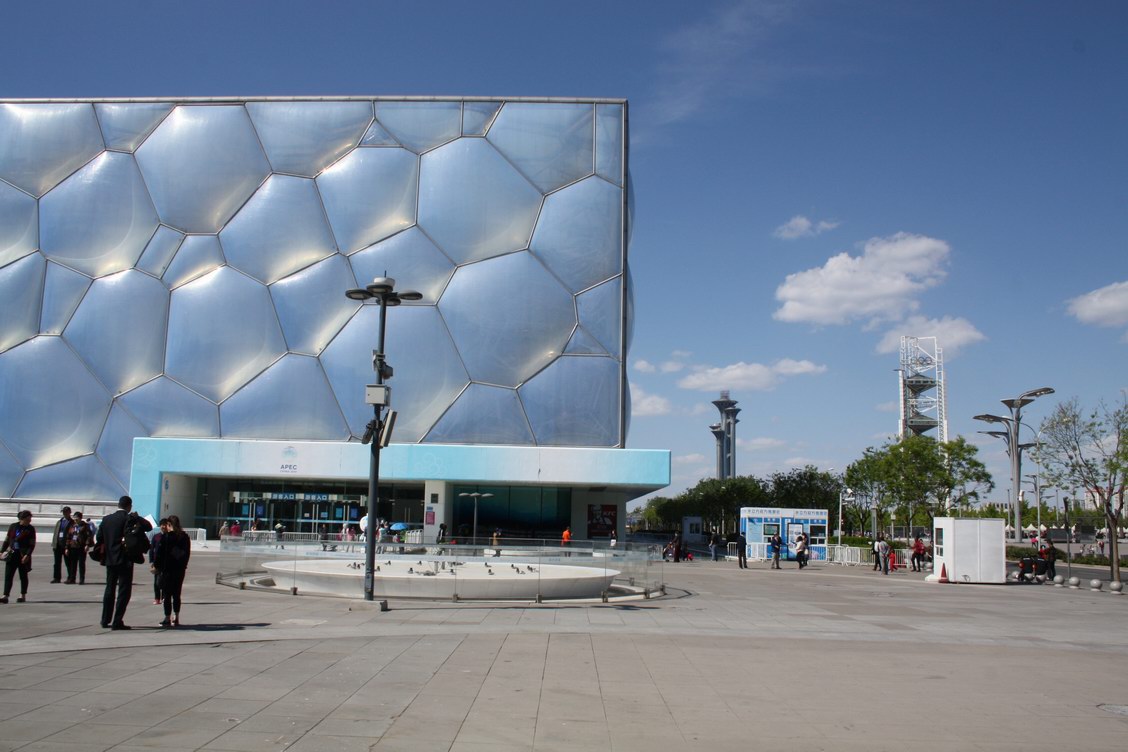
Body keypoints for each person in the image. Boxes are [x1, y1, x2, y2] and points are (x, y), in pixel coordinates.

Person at [96, 495, 152, 630]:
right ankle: (117, 621)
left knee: (109, 589)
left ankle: (105, 619)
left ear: (118, 505)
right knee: (124, 591)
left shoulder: (107, 519)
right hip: (126, 559)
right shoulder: (129, 518)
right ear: (129, 506)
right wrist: (137, 517)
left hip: (110, 559)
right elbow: (148, 527)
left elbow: (99, 537)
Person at [154, 514, 191, 627]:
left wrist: (156, 566)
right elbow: (187, 554)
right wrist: (183, 565)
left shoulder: (166, 537)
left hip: (167, 569)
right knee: (177, 594)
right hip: (180, 569)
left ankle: (167, 618)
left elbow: (159, 554)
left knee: (167, 595)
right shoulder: (185, 537)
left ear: (169, 524)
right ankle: (176, 617)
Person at [2, 510, 36, 603]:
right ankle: (5, 595)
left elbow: (32, 544)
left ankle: (22, 595)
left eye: (30, 519)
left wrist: (27, 555)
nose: (30, 520)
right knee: (8, 576)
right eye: (28, 519)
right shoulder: (13, 526)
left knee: (23, 576)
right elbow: (7, 540)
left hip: (23, 556)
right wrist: (1, 551)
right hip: (12, 554)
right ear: (22, 518)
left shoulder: (30, 529)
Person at [64, 511, 92, 584]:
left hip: (81, 547)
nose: (75, 519)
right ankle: (72, 579)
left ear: (80, 518)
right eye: (74, 518)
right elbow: (68, 537)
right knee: (73, 564)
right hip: (73, 547)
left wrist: (87, 545)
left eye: (77, 518)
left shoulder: (85, 526)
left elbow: (89, 536)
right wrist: (67, 547)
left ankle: (81, 579)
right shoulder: (72, 526)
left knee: (81, 564)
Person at [50, 506, 73, 584]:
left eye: (66, 512)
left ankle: (70, 577)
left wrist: (69, 545)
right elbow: (55, 533)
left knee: (68, 562)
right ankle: (56, 577)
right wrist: (54, 544)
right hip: (58, 544)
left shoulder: (72, 522)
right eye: (63, 512)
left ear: (69, 512)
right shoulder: (59, 521)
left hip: (66, 545)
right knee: (57, 563)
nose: (64, 513)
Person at [149, 519, 168, 604]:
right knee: (156, 581)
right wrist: (151, 561)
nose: (163, 526)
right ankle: (157, 598)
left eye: (165, 525)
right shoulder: (156, 536)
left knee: (165, 580)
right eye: (162, 525)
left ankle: (164, 597)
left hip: (167, 562)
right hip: (157, 562)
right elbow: (151, 549)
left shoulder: (169, 536)